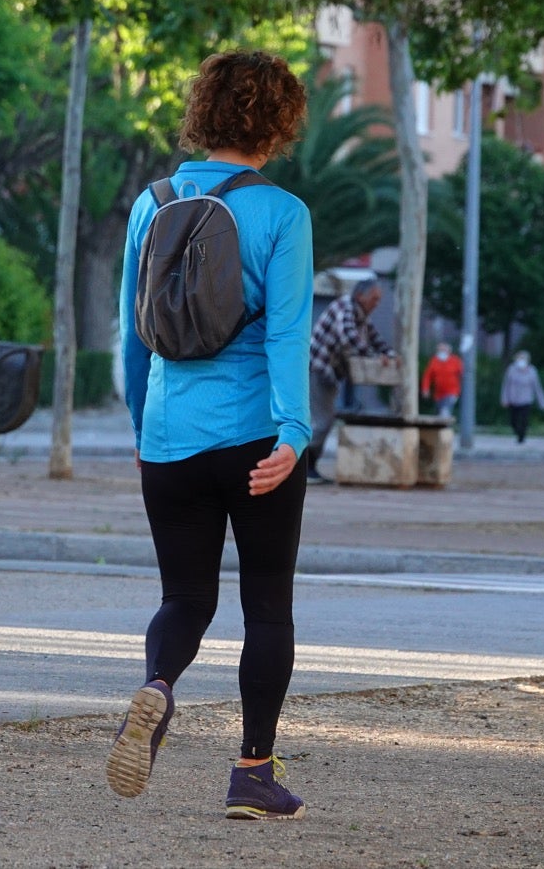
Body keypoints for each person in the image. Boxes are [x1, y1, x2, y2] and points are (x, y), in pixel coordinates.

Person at [110, 50, 312, 820]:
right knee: (267, 606)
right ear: (281, 121)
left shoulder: (150, 201)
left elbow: (131, 336)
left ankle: (157, 686)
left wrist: (140, 424)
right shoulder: (283, 214)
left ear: (203, 109)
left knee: (185, 596)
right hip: (257, 436)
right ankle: (253, 771)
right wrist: (293, 432)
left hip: (169, 435)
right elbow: (288, 333)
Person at [306, 278, 394, 483]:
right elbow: (349, 337)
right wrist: (373, 356)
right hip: (317, 369)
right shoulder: (345, 307)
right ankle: (305, 468)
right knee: (322, 421)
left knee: (325, 420)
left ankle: (309, 466)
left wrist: (389, 354)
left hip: (331, 373)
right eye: (374, 299)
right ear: (360, 296)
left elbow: (374, 337)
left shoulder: (362, 316)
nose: (376, 304)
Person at [500, 350, 544, 443]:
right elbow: (506, 385)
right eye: (519, 359)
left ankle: (521, 437)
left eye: (523, 359)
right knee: (513, 421)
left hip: (526, 400)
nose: (521, 361)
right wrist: (504, 399)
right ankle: (517, 432)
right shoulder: (511, 369)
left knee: (524, 420)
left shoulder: (532, 371)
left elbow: (537, 387)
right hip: (513, 400)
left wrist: (542, 402)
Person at [420, 341, 464, 418]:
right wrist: (425, 389)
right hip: (438, 394)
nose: (441, 352)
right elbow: (427, 376)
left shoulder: (455, 361)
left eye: (443, 350)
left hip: (452, 392)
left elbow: (462, 374)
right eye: (440, 350)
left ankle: (445, 427)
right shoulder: (434, 361)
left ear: (449, 351)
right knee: (438, 413)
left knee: (445, 411)